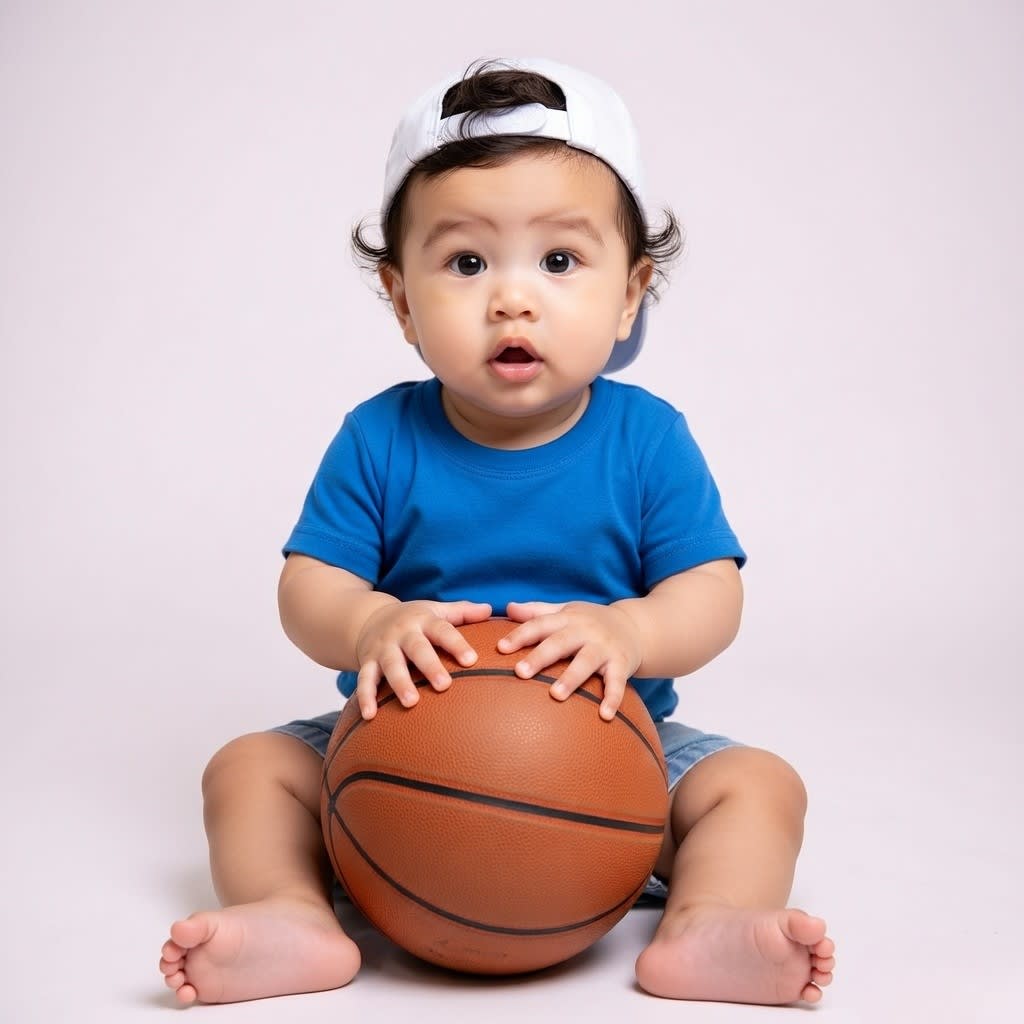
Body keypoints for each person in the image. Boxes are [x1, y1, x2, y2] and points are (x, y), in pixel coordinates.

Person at [159, 56, 835, 1006]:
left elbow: (711, 593)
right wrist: (368, 626)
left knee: (758, 786)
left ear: (631, 293)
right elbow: (307, 584)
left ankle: (707, 923)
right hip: (392, 749)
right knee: (251, 769)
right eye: (466, 263)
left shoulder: (646, 439)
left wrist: (631, 631)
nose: (512, 298)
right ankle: (289, 913)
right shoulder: (379, 436)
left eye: (560, 261)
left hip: (617, 746)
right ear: (402, 301)